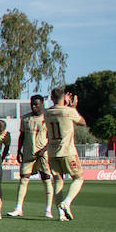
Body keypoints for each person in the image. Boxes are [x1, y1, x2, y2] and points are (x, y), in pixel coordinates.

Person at [44, 86, 89, 221]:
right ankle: (67, 202)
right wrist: (73, 107)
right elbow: (83, 123)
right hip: (67, 151)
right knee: (78, 178)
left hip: (52, 152)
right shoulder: (69, 112)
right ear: (64, 98)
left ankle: (60, 214)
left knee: (58, 181)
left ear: (51, 98)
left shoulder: (46, 112)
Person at [10, 94, 52, 218]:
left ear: (42, 104)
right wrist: (19, 151)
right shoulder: (25, 118)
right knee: (23, 179)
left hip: (43, 155)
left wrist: (44, 149)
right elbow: (21, 135)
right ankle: (18, 208)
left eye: (36, 104)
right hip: (28, 153)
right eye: (32, 104)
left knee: (46, 179)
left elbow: (52, 137)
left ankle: (48, 210)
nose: (33, 107)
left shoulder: (48, 118)